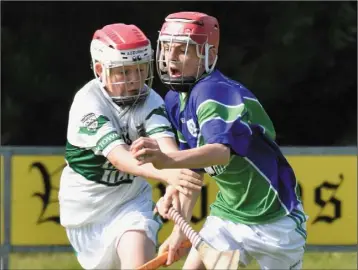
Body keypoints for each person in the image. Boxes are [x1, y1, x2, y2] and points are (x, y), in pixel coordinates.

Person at [130, 11, 308, 270]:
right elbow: (192, 172)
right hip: (229, 215)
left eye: (183, 50)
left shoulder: (213, 90)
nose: (170, 57)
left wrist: (166, 160)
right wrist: (178, 232)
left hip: (275, 218)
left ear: (209, 56)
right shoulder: (175, 99)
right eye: (167, 48)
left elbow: (220, 152)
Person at [58, 23, 203, 270]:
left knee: (137, 251)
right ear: (100, 70)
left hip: (130, 202)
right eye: (123, 72)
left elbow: (169, 151)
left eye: (139, 69)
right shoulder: (88, 103)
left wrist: (179, 174)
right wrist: (166, 174)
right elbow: (119, 158)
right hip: (84, 212)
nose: (135, 80)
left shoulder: (150, 99)